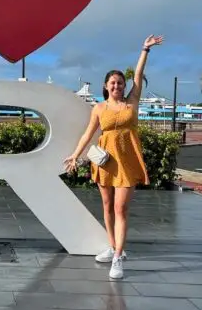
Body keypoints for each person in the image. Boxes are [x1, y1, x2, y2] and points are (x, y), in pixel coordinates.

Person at [63, 34, 164, 280]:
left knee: (121, 208)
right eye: (113, 83)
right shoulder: (99, 108)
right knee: (107, 206)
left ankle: (118, 256)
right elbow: (88, 134)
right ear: (106, 86)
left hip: (127, 160)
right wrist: (75, 155)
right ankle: (112, 245)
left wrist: (145, 50)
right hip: (106, 161)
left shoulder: (132, 103)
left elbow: (137, 77)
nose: (117, 86)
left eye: (120, 83)